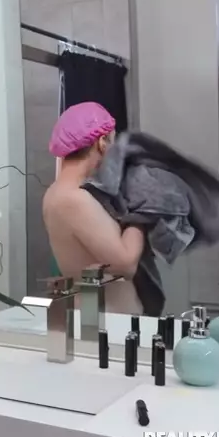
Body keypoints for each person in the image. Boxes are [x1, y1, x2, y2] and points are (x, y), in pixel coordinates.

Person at [41, 102, 145, 314]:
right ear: (101, 142)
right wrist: (143, 214)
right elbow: (125, 265)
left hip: (100, 317)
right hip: (106, 322)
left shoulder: (57, 192)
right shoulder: (73, 199)